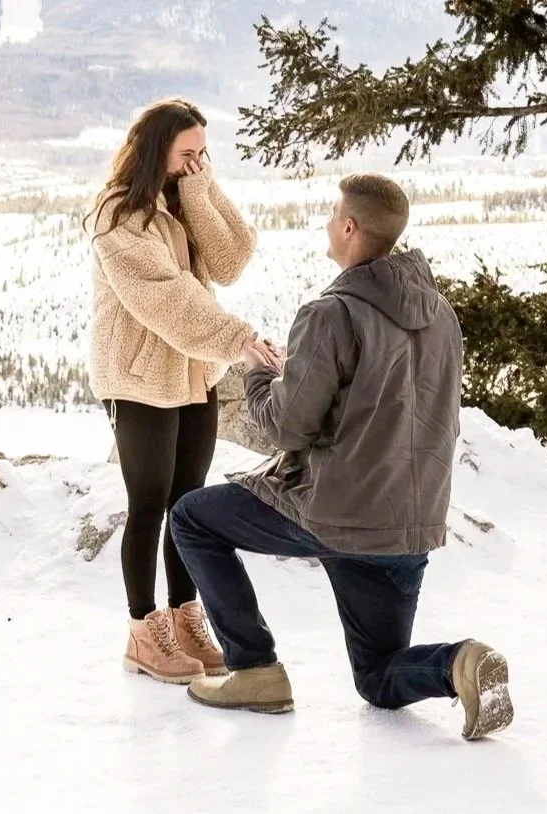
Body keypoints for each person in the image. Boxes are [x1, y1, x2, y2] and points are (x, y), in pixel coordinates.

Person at [169, 173, 514, 740]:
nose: (329, 223)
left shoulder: (331, 314)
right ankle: (460, 663)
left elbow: (287, 427)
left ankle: (254, 669)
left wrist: (261, 377)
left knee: (192, 519)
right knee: (378, 678)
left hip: (338, 515)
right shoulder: (441, 314)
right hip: (409, 526)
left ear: (351, 228)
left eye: (334, 215)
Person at [84, 98, 279, 685]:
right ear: (155, 149)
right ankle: (145, 632)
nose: (197, 162)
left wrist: (201, 189)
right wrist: (236, 336)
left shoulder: (182, 196)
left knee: (187, 506)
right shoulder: (118, 215)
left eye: (203, 153)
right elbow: (163, 296)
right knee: (148, 507)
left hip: (194, 372)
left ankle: (185, 617)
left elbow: (231, 259)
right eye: (187, 154)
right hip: (140, 377)